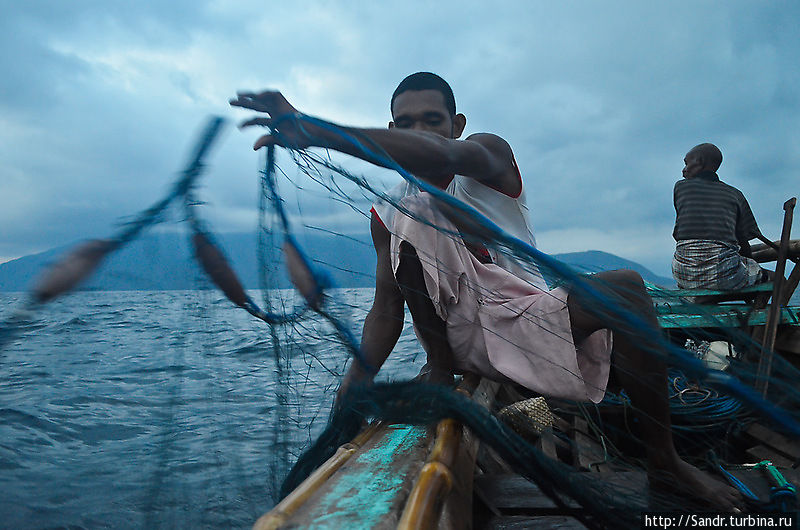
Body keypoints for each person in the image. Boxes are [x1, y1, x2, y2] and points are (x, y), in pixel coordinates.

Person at [230, 73, 742, 510]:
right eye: (404, 123)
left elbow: (441, 156)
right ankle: (438, 370)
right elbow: (387, 305)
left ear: (457, 126)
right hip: (458, 343)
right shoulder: (386, 211)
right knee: (413, 213)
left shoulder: (489, 156)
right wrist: (352, 386)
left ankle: (666, 463)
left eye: (432, 120)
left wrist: (322, 132)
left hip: (532, 320)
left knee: (627, 289)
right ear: (390, 130)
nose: (419, 131)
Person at [672, 143, 771, 290]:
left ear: (699, 162)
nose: (683, 170)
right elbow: (743, 243)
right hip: (722, 273)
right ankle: (767, 310)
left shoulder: (680, 188)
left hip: (683, 273)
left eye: (687, 163)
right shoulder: (735, 194)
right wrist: (750, 263)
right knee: (777, 278)